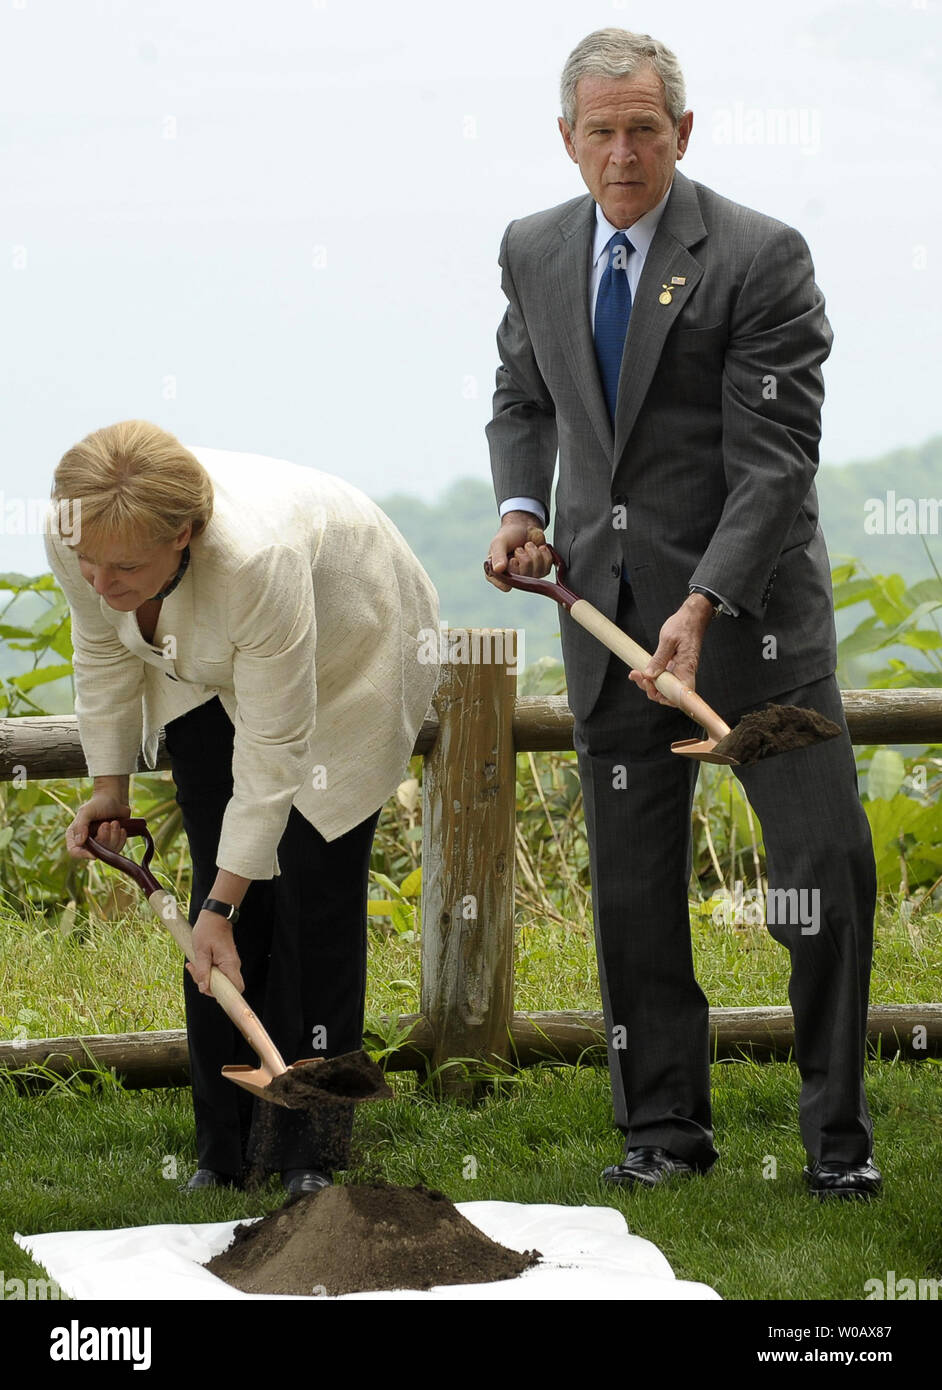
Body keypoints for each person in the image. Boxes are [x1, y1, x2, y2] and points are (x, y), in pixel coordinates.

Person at [485, 28, 880, 1199]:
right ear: (568, 139)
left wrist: (705, 601)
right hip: (606, 629)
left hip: (754, 631)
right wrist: (519, 507)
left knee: (822, 875)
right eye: (599, 131)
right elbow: (521, 392)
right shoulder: (533, 249)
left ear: (683, 133)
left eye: (642, 128)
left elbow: (775, 467)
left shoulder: (761, 256)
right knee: (635, 896)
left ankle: (838, 1146)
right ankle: (661, 1130)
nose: (621, 153)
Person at [47, 420, 439, 1193]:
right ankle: (223, 1152)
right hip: (197, 658)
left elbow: (272, 752)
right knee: (215, 911)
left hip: (344, 646)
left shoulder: (259, 560)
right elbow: (98, 646)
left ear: (185, 534)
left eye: (122, 567)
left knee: (312, 895)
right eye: (88, 564)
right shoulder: (83, 529)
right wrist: (109, 787)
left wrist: (224, 906)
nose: (99, 583)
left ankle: (311, 1153)